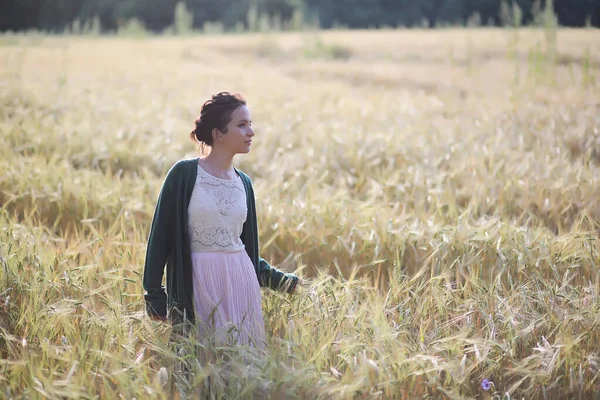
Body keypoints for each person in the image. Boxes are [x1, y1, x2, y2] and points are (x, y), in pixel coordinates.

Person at [142, 91, 303, 350]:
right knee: (196, 367)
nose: (251, 132)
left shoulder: (244, 183)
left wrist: (286, 282)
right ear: (218, 134)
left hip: (240, 284)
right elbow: (159, 238)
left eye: (250, 124)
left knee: (239, 367)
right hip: (196, 284)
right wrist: (153, 295)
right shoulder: (183, 174)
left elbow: (247, 251)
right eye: (241, 125)